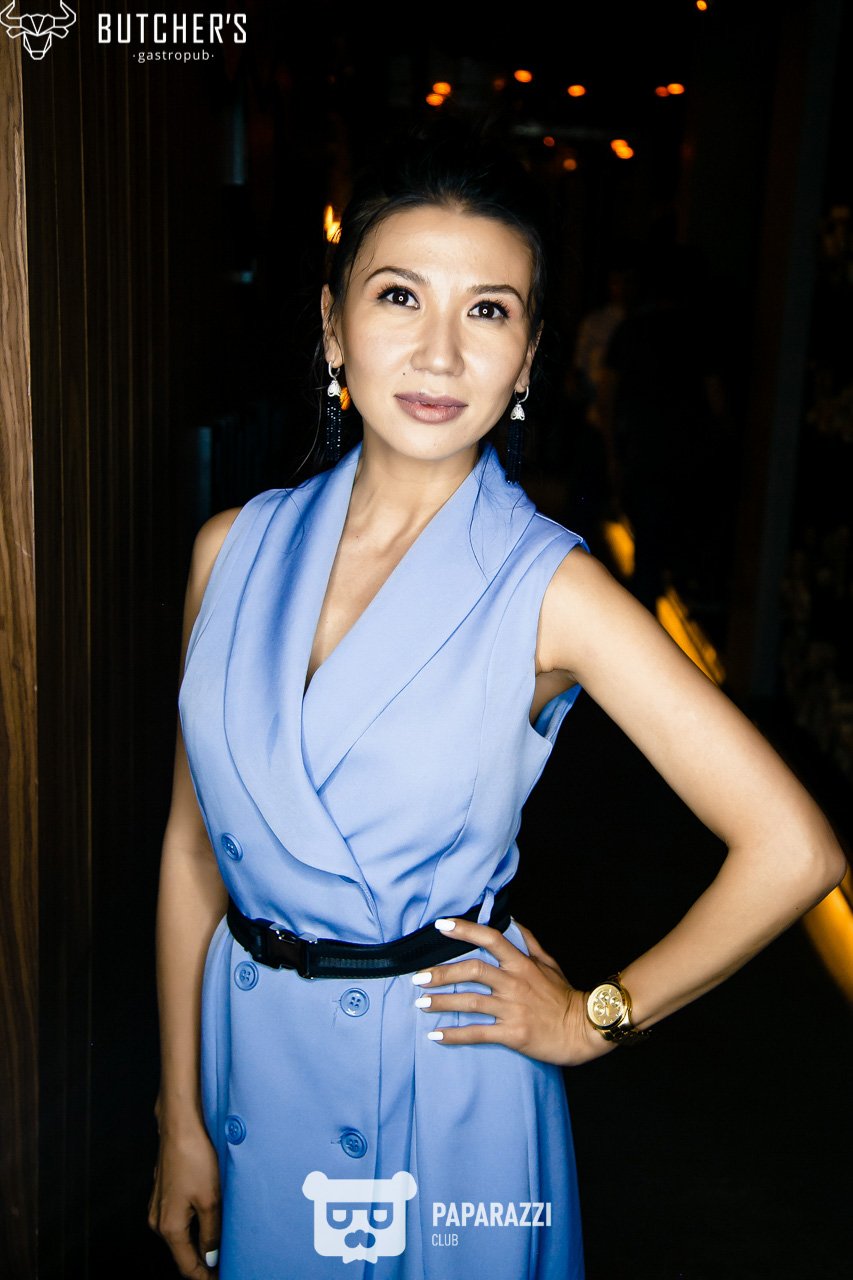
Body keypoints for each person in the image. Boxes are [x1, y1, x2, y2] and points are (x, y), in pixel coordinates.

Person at [147, 123, 847, 1280]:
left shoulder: (549, 587)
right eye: (398, 296)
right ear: (332, 325)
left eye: (487, 310)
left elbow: (793, 846)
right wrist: (180, 1113)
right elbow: (191, 851)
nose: (438, 351)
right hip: (250, 1063)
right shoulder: (231, 551)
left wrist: (593, 1015)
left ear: (526, 359)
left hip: (444, 1090)